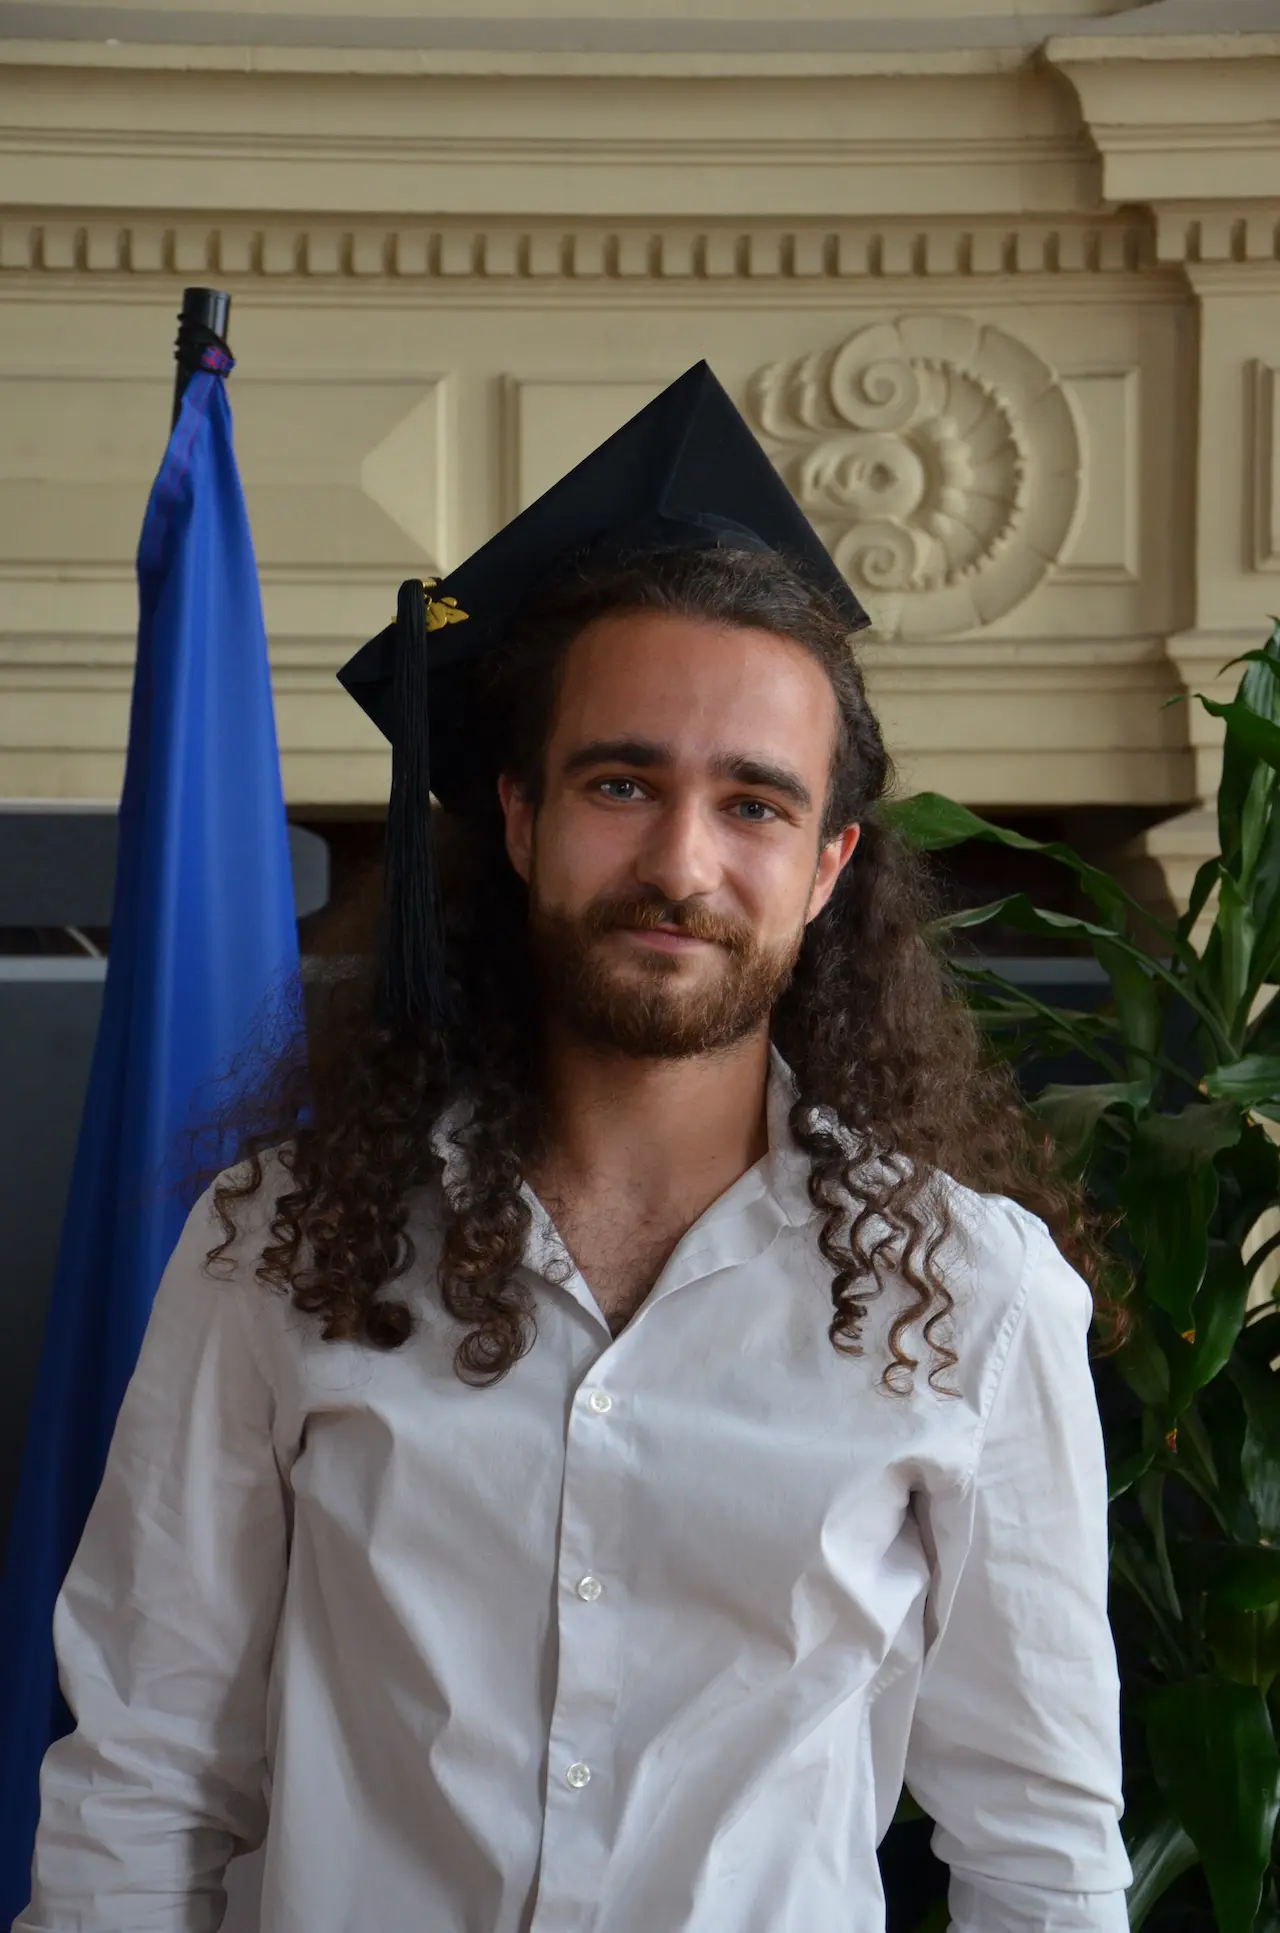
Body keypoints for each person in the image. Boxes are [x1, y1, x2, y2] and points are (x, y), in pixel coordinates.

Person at [16, 364, 1133, 1933]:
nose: (681, 861)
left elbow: (1040, 1855)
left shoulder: (971, 1296)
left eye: (753, 806)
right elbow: (143, 1780)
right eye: (623, 783)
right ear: (522, 818)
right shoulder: (276, 1244)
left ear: (828, 869)